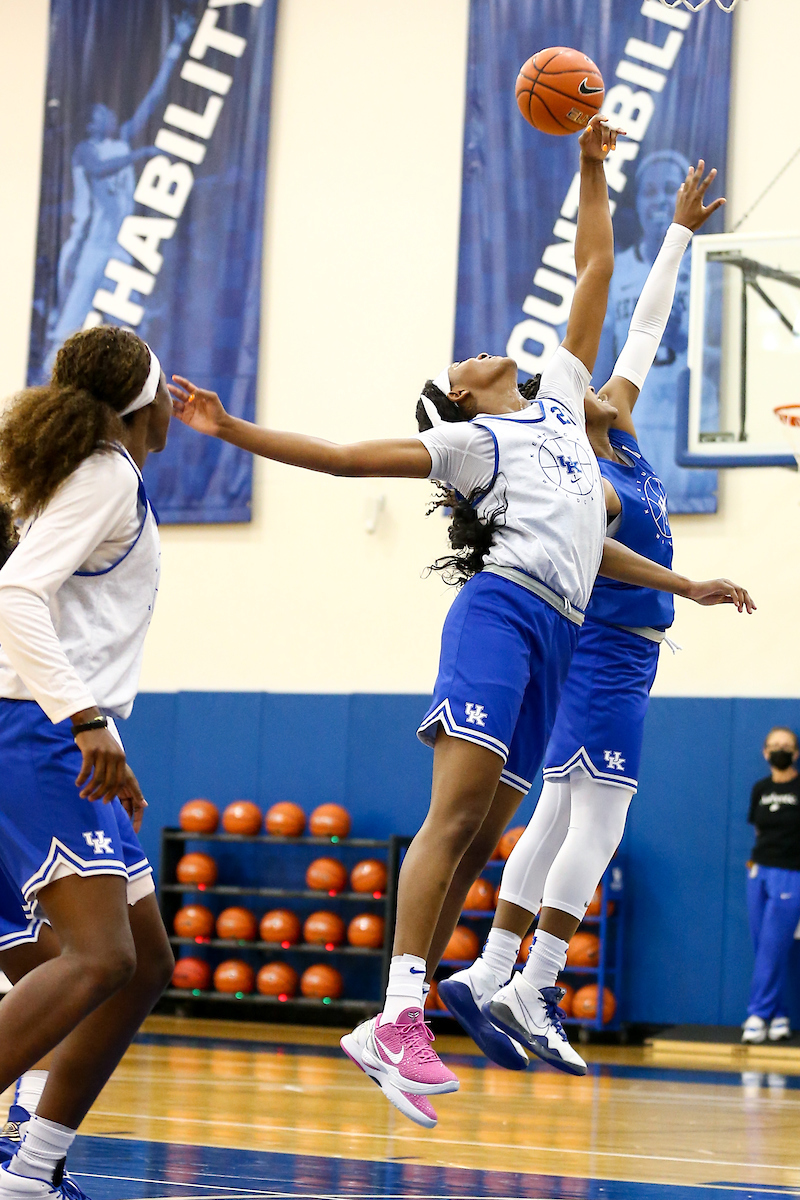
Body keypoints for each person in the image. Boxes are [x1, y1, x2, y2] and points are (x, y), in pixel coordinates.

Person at [168, 117, 751, 1129]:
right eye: (468, 357)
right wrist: (233, 431)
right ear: (466, 396)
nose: (484, 348)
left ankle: (412, 1013)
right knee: (453, 818)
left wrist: (590, 163)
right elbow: (348, 458)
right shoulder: (474, 444)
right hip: (499, 617)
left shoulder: (566, 412)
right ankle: (396, 1015)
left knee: (486, 833)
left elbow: (595, 270)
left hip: (559, 630)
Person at [437, 161, 744, 1077]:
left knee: (557, 817)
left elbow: (643, 325)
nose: (619, 382)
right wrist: (687, 588)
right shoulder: (588, 467)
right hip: (608, 648)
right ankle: (534, 987)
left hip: (610, 655)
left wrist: (682, 231)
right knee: (598, 828)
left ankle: (490, 976)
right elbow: (599, 551)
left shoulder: (623, 430)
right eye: (589, 384)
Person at [0, 325, 176, 1199]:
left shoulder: (80, 474)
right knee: (99, 958)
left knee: (144, 964)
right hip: (38, 728)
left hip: (56, 730)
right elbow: (18, 594)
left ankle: (32, 1171)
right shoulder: (104, 473)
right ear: (145, 401)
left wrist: (100, 734)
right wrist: (85, 721)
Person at [42, 12, 195, 374]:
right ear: (92, 122)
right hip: (88, 247)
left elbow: (153, 100)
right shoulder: (85, 150)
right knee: (71, 322)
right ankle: (44, 392)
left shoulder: (121, 140)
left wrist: (176, 46)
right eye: (103, 111)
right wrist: (141, 155)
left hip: (118, 246)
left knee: (128, 325)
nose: (112, 113)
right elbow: (99, 170)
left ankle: (134, 396)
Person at [593, 151, 717, 513]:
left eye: (669, 189)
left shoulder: (711, 267)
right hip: (635, 421)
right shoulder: (617, 274)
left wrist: (682, 340)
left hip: (695, 420)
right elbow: (600, 366)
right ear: (638, 203)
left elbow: (729, 365)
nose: (660, 199)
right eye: (649, 191)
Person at [742, 726, 800, 1044]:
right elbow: (758, 831)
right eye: (774, 745)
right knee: (761, 944)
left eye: (786, 745)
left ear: (795, 752)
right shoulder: (760, 789)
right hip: (759, 871)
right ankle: (779, 1013)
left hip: (791, 872)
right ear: (765, 752)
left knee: (774, 945)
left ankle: (758, 1014)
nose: (780, 749)